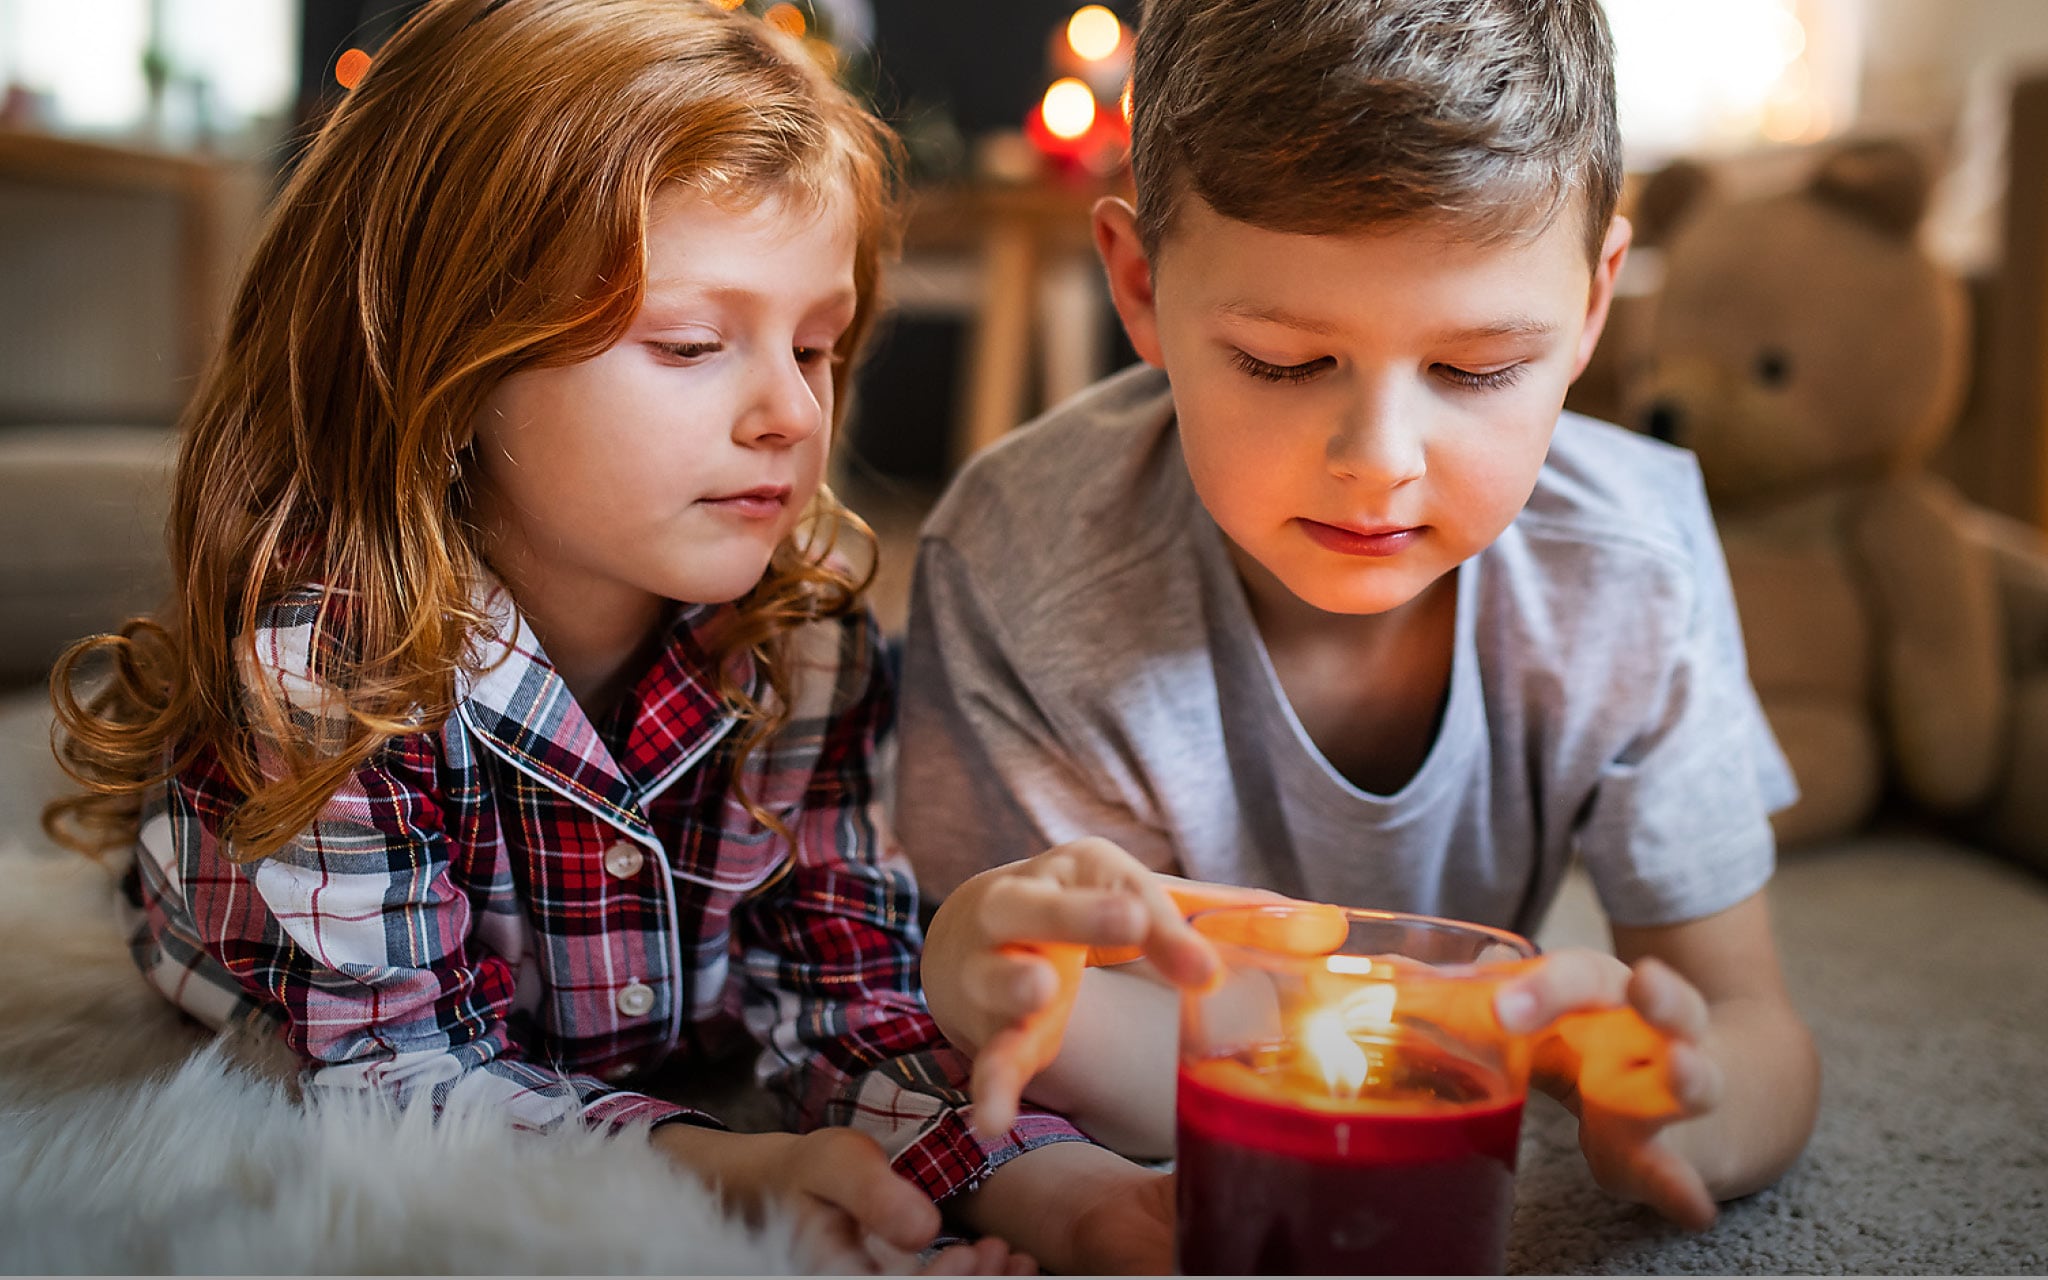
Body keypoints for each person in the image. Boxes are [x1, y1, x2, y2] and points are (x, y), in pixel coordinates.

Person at [41, 2, 1167, 1272]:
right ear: (448, 358)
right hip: (288, 943)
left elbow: (848, 996)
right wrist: (746, 1170)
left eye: (816, 345)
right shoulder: (323, 669)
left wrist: (1059, 1191)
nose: (792, 412)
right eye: (690, 343)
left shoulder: (807, 647)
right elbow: (402, 1080)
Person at [898, 0, 1823, 1250]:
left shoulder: (1629, 562)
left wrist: (1669, 1109)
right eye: (1282, 361)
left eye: (1475, 370)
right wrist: (973, 969)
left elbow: (1748, 1019)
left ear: (1594, 302)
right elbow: (1069, 1051)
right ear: (1138, 283)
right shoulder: (1024, 569)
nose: (1376, 464)